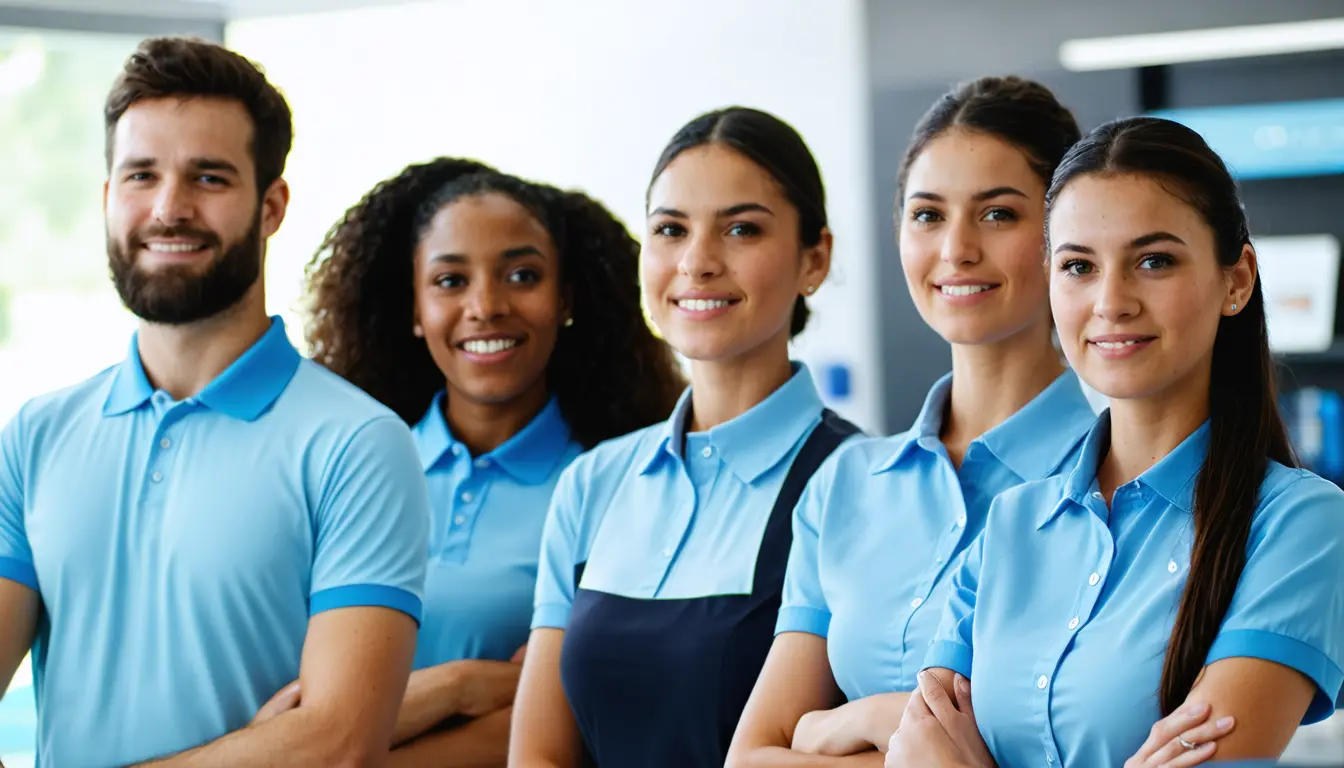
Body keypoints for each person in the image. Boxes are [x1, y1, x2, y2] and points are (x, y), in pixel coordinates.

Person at [0, 37, 430, 766]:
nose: (170, 209)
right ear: (109, 198)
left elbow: (339, 746)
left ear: (271, 206)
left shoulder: (359, 446)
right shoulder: (36, 435)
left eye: (208, 177)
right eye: (141, 175)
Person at [890, 116, 1344, 768]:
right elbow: (918, 749)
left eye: (1153, 261)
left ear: (1237, 279)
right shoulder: (1011, 523)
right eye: (1078, 266)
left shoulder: (1298, 525)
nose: (1111, 301)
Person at [257, 157, 685, 763]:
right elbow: (284, 705)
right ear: (413, 307)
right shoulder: (345, 471)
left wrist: (345, 747)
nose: (486, 306)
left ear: (565, 297)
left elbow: (586, 716)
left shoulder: (615, 492)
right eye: (451, 281)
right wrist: (464, 686)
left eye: (522, 275)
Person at [728, 76, 1102, 766]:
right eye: (928, 215)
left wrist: (841, 728)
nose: (956, 249)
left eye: (997, 215)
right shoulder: (848, 485)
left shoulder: (1120, 478)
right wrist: (897, 725)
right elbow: (751, 756)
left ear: (1067, 235)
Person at [509, 106, 861, 768]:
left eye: (741, 229)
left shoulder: (864, 484)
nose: (697, 262)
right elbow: (540, 757)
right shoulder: (593, 485)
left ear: (815, 257)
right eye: (671, 229)